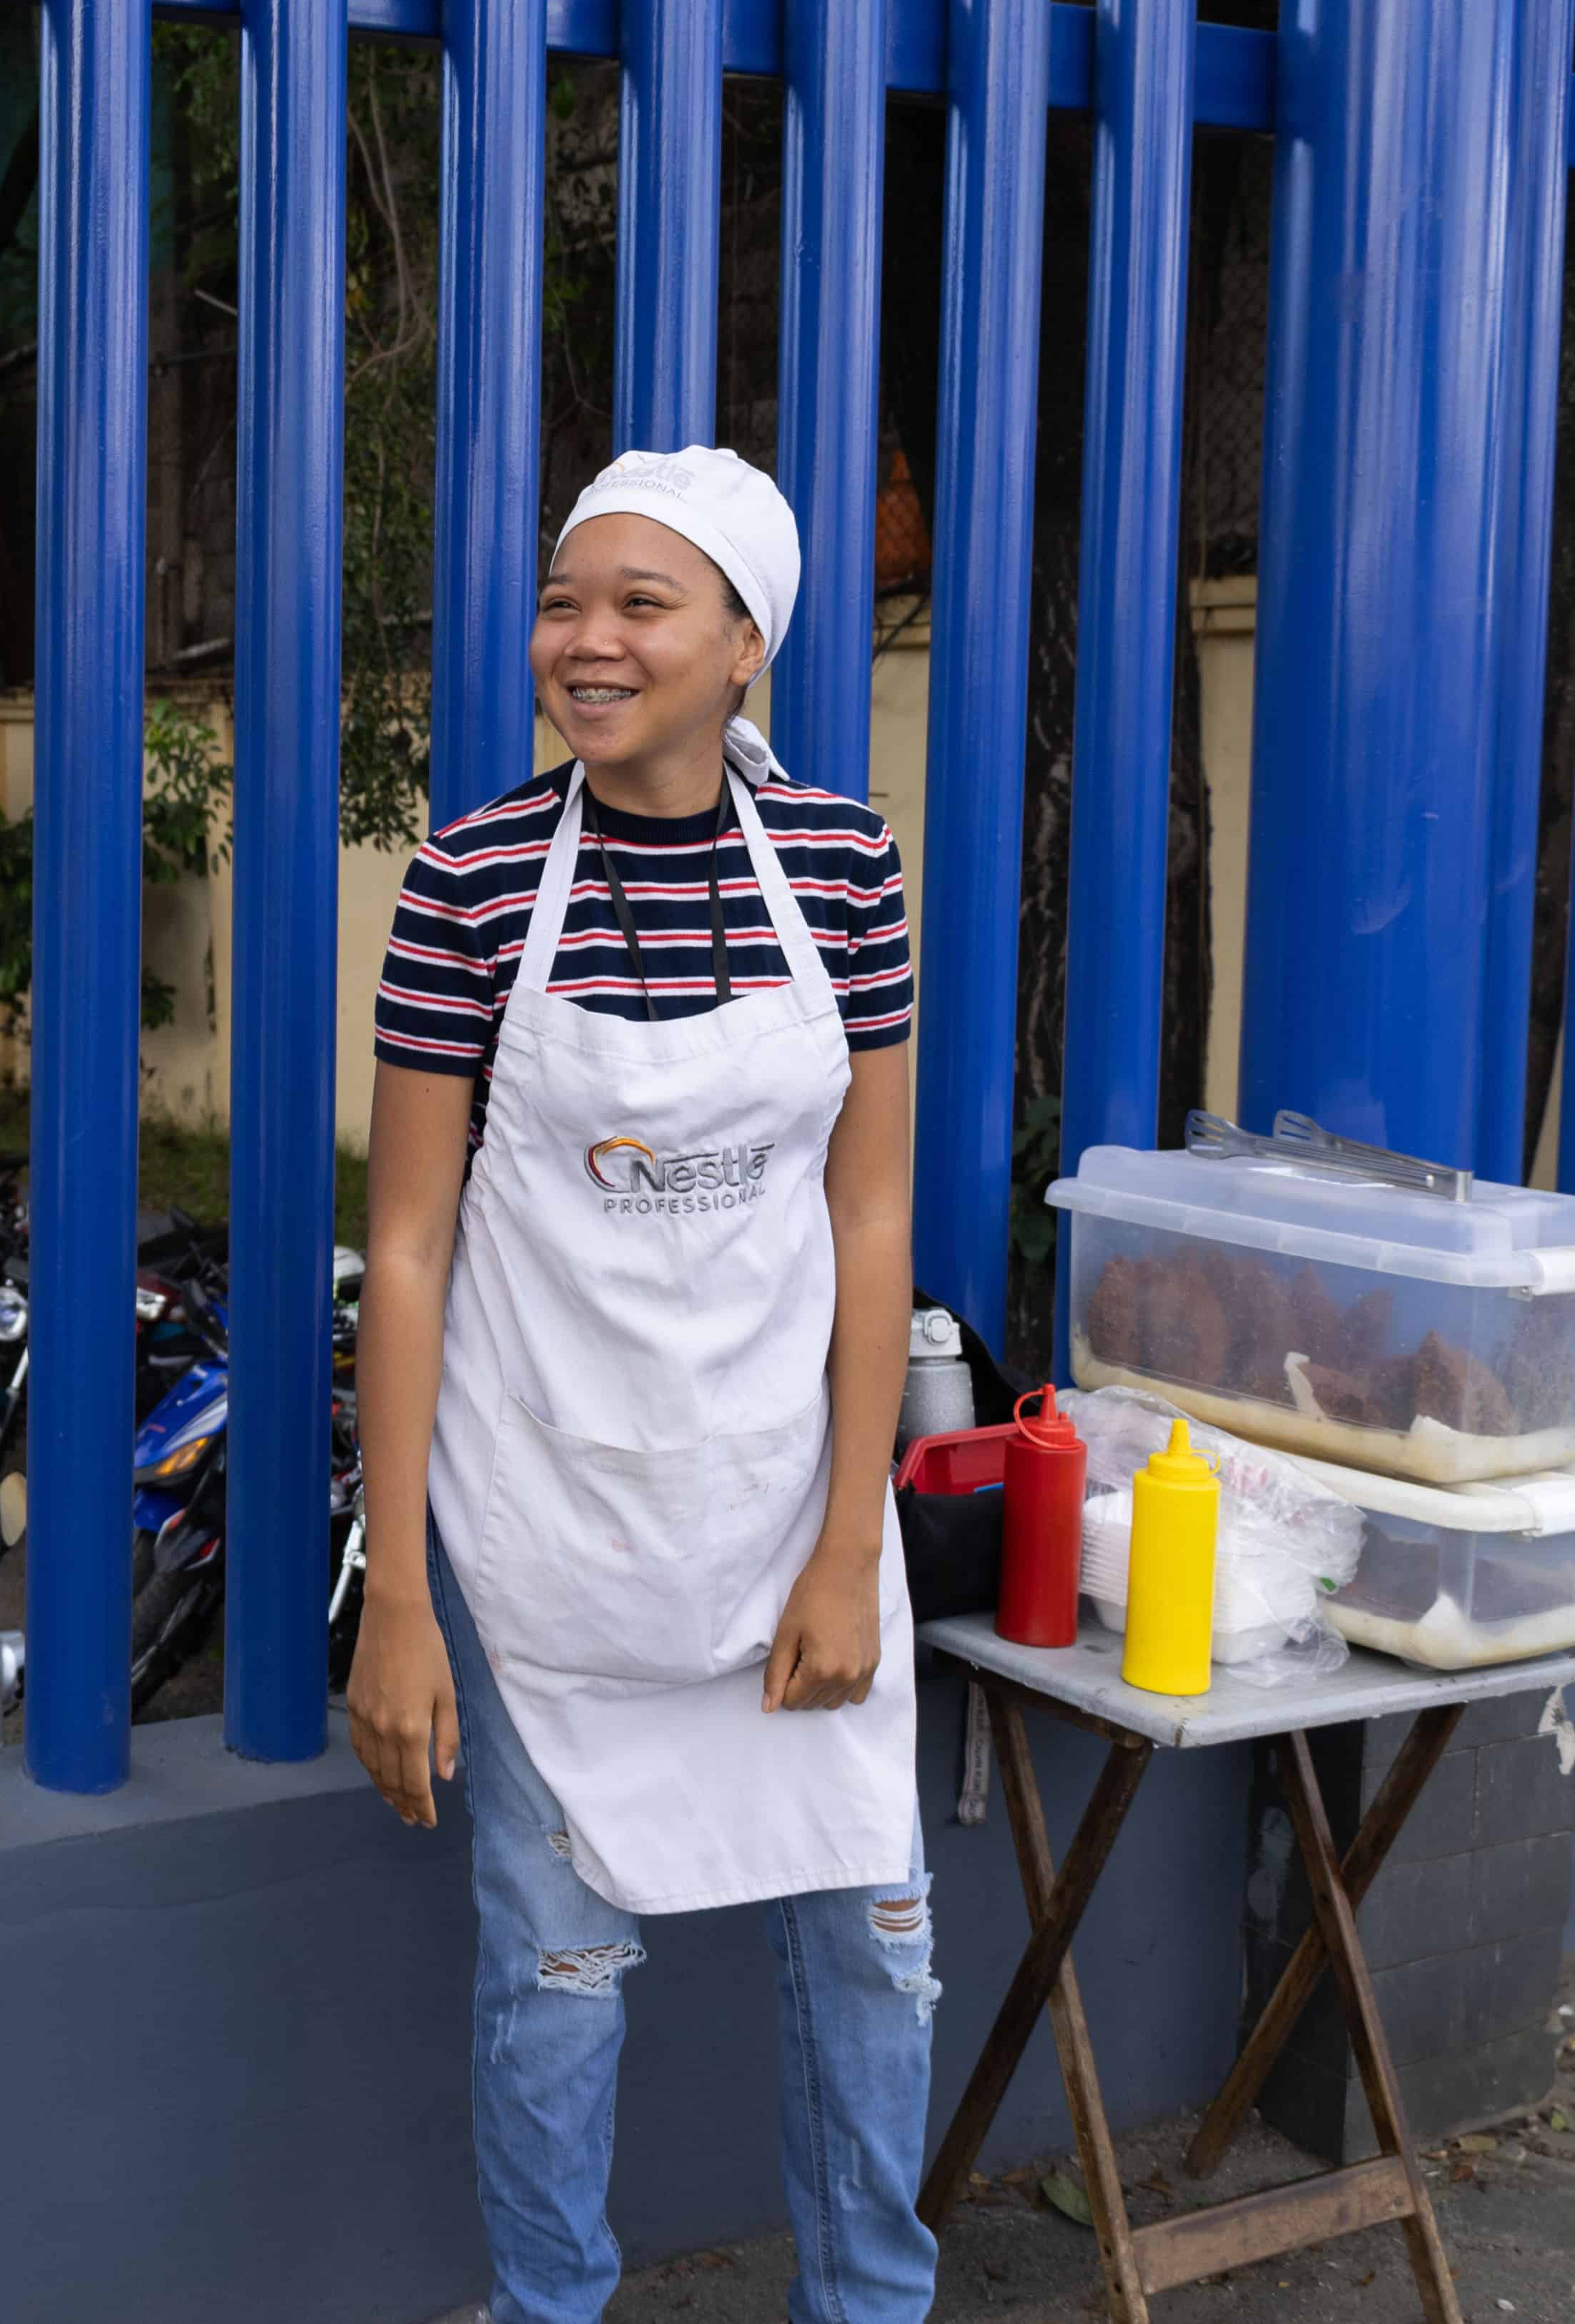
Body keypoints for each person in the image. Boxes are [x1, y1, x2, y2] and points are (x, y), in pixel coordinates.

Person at [349, 448, 939, 2323]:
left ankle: (870, 2307)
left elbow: (867, 1217)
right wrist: (395, 1591)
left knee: (875, 1954)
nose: (580, 641)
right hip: (547, 1534)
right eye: (562, 601)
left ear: (744, 641)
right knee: (553, 1979)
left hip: (786, 1514)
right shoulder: (468, 876)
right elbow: (414, 1247)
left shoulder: (842, 866)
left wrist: (849, 1542)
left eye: (636, 604)